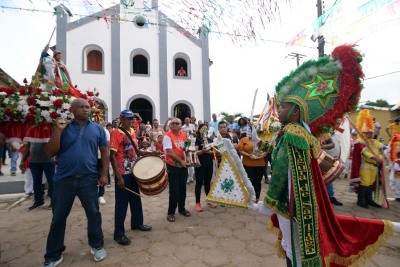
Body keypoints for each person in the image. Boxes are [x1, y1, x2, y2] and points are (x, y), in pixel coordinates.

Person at [261, 45, 392, 267]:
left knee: (293, 249)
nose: (278, 111)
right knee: (302, 247)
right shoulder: (305, 134)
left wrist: (269, 200)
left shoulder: (290, 134)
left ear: (296, 110)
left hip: (289, 204)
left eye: (282, 107)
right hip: (307, 203)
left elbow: (282, 170)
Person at [41, 98, 109, 266]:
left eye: (87, 107)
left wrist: (105, 175)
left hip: (89, 179)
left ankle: (97, 245)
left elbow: (105, 153)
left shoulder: (98, 129)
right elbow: (50, 152)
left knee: (93, 214)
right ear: (72, 110)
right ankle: (53, 254)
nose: (85, 109)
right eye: (81, 107)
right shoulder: (63, 128)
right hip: (64, 180)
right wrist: (58, 130)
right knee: (58, 217)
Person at [109, 110, 154, 246]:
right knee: (121, 205)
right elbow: (112, 156)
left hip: (134, 172)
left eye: (132, 119)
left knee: (136, 199)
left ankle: (137, 223)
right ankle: (119, 234)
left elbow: (137, 151)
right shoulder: (116, 133)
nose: (131, 121)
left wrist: (152, 153)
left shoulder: (133, 132)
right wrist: (119, 177)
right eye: (128, 119)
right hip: (123, 173)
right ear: (121, 119)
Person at [352, 110, 385, 209]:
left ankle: (369, 199)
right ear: (363, 133)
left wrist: (380, 158)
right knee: (365, 182)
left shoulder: (376, 142)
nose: (369, 135)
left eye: (371, 133)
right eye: (367, 133)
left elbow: (381, 151)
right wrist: (373, 157)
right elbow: (363, 151)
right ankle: (361, 200)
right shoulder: (360, 142)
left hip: (374, 166)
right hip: (365, 165)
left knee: (370, 183)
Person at [163, 118, 191, 222]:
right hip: (172, 165)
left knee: (183, 189)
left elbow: (186, 148)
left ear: (181, 125)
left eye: (177, 123)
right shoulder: (168, 135)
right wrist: (181, 161)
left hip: (183, 165)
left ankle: (182, 209)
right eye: (172, 123)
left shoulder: (184, 134)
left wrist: (189, 154)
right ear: (170, 126)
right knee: (174, 190)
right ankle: (171, 212)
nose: (174, 125)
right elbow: (169, 151)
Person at [19, 141, 55, 210]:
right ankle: (38, 201)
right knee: (36, 182)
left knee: (51, 181)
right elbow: (27, 147)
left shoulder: (49, 130)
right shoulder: (30, 131)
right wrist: (22, 161)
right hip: (34, 161)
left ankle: (54, 202)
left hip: (48, 161)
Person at [237, 132, 266, 202]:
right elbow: (240, 150)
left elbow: (267, 150)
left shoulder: (263, 139)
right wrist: (249, 155)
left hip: (260, 164)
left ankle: (257, 197)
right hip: (248, 164)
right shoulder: (244, 139)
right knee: (249, 181)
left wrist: (261, 156)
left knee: (257, 182)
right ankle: (249, 197)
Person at [194, 124, 216, 211]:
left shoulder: (210, 139)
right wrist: (203, 151)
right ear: (199, 130)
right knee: (199, 183)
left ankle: (209, 200)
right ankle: (197, 203)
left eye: (206, 129)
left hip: (209, 163)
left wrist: (211, 152)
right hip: (200, 164)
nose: (204, 130)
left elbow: (212, 150)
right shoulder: (197, 139)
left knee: (208, 182)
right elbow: (195, 152)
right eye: (203, 129)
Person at [321, 131, 343, 206]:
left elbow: (335, 145)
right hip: (323, 158)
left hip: (332, 159)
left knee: (329, 178)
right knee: (325, 178)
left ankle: (330, 197)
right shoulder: (321, 131)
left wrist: (339, 157)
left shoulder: (335, 134)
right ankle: (326, 197)